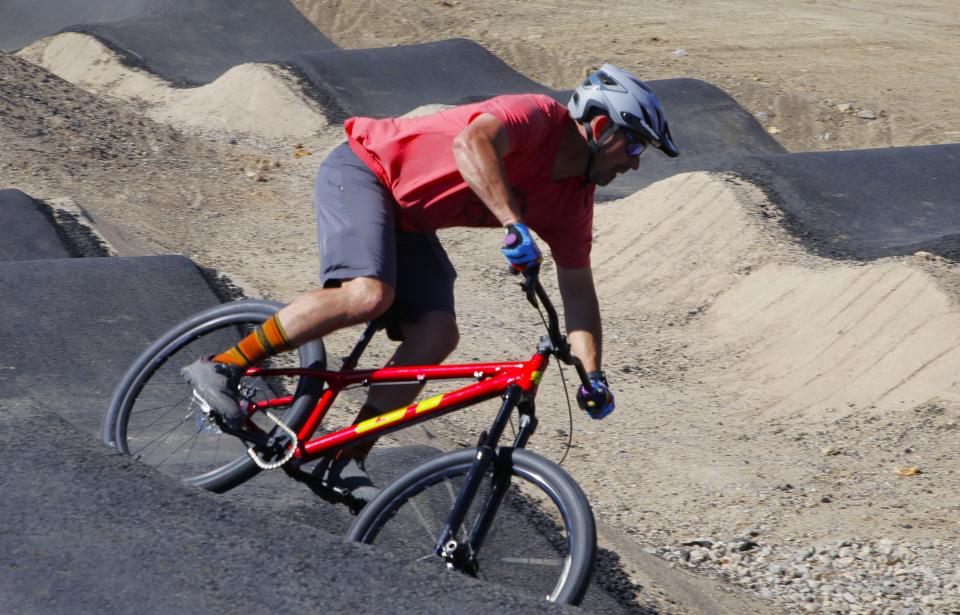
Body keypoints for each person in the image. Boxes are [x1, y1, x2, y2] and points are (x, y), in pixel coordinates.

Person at [183, 63, 678, 506]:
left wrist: (594, 374)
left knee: (438, 334)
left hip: (409, 222)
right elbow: (472, 142)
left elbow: (578, 293)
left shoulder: (575, 201)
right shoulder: (537, 117)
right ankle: (223, 367)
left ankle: (347, 456)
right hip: (364, 171)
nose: (635, 163)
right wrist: (512, 223)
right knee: (368, 294)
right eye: (634, 145)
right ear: (597, 126)